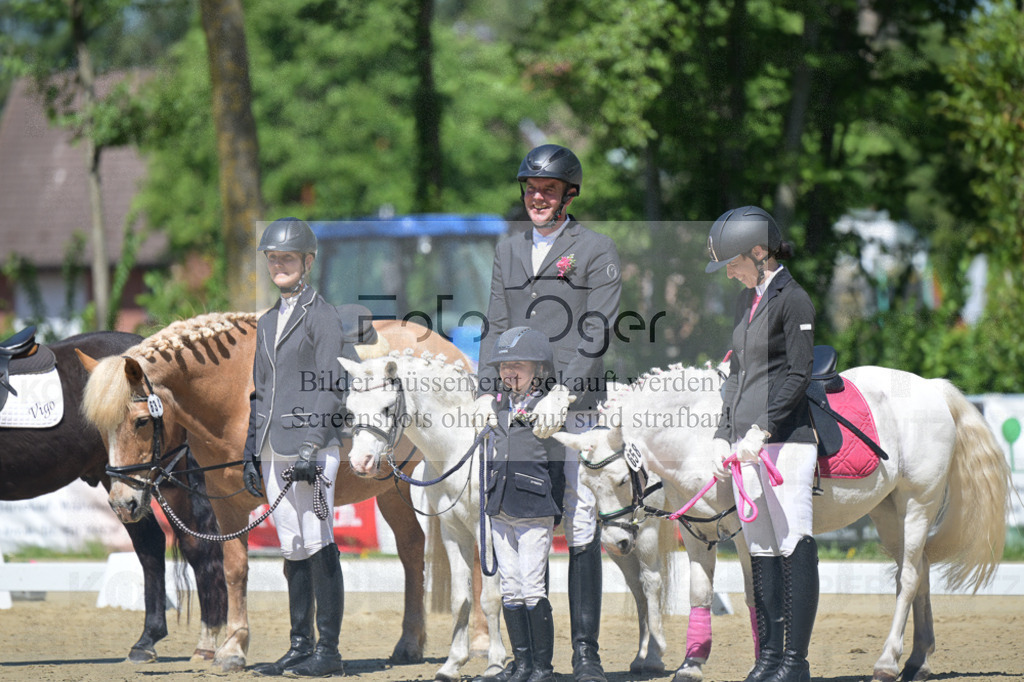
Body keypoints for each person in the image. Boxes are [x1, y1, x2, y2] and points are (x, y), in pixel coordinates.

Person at [473, 144, 621, 682]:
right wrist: (485, 391)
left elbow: (598, 327)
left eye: (550, 190)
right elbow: (494, 323)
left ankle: (586, 653)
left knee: (581, 526)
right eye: (532, 189)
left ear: (568, 195)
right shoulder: (508, 250)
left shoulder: (595, 248)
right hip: (516, 408)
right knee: (515, 520)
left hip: (574, 410)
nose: (539, 197)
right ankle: (528, 658)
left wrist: (566, 390)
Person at [705, 206, 819, 682]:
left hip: (786, 442)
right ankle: (769, 656)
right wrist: (721, 434)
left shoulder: (795, 301)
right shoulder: (746, 302)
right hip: (744, 448)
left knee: (792, 543)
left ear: (759, 253)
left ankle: (795, 661)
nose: (728, 272)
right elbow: (737, 375)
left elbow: (798, 372)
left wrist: (764, 428)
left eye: (732, 262)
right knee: (762, 551)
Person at [242, 217, 354, 678]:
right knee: (291, 545)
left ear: (307, 262)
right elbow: (260, 391)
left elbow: (333, 384)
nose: (279, 266)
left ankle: (328, 650)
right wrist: (253, 449)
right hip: (274, 447)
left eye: (287, 258)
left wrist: (311, 443)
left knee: (317, 541)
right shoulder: (268, 321)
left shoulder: (322, 316)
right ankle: (299, 645)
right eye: (273, 259)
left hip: (312, 448)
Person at [483, 326, 565, 682]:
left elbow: (559, 464)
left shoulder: (545, 407)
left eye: (517, 364)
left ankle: (542, 668)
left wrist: (555, 505)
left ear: (538, 370)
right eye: (503, 366)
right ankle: (523, 663)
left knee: (532, 586)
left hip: (532, 505)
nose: (508, 372)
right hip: (500, 503)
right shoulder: (498, 403)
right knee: (510, 586)